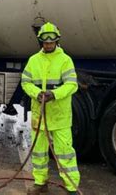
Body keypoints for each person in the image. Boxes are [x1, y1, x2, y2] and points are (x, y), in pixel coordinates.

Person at [21, 22, 80, 195]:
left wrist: (54, 94)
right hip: (40, 116)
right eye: (45, 42)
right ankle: (40, 183)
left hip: (60, 117)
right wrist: (37, 93)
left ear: (56, 41)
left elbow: (72, 85)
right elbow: (25, 82)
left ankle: (71, 188)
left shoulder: (65, 60)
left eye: (51, 42)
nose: (48, 45)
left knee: (65, 153)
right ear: (41, 42)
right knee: (39, 152)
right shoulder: (33, 60)